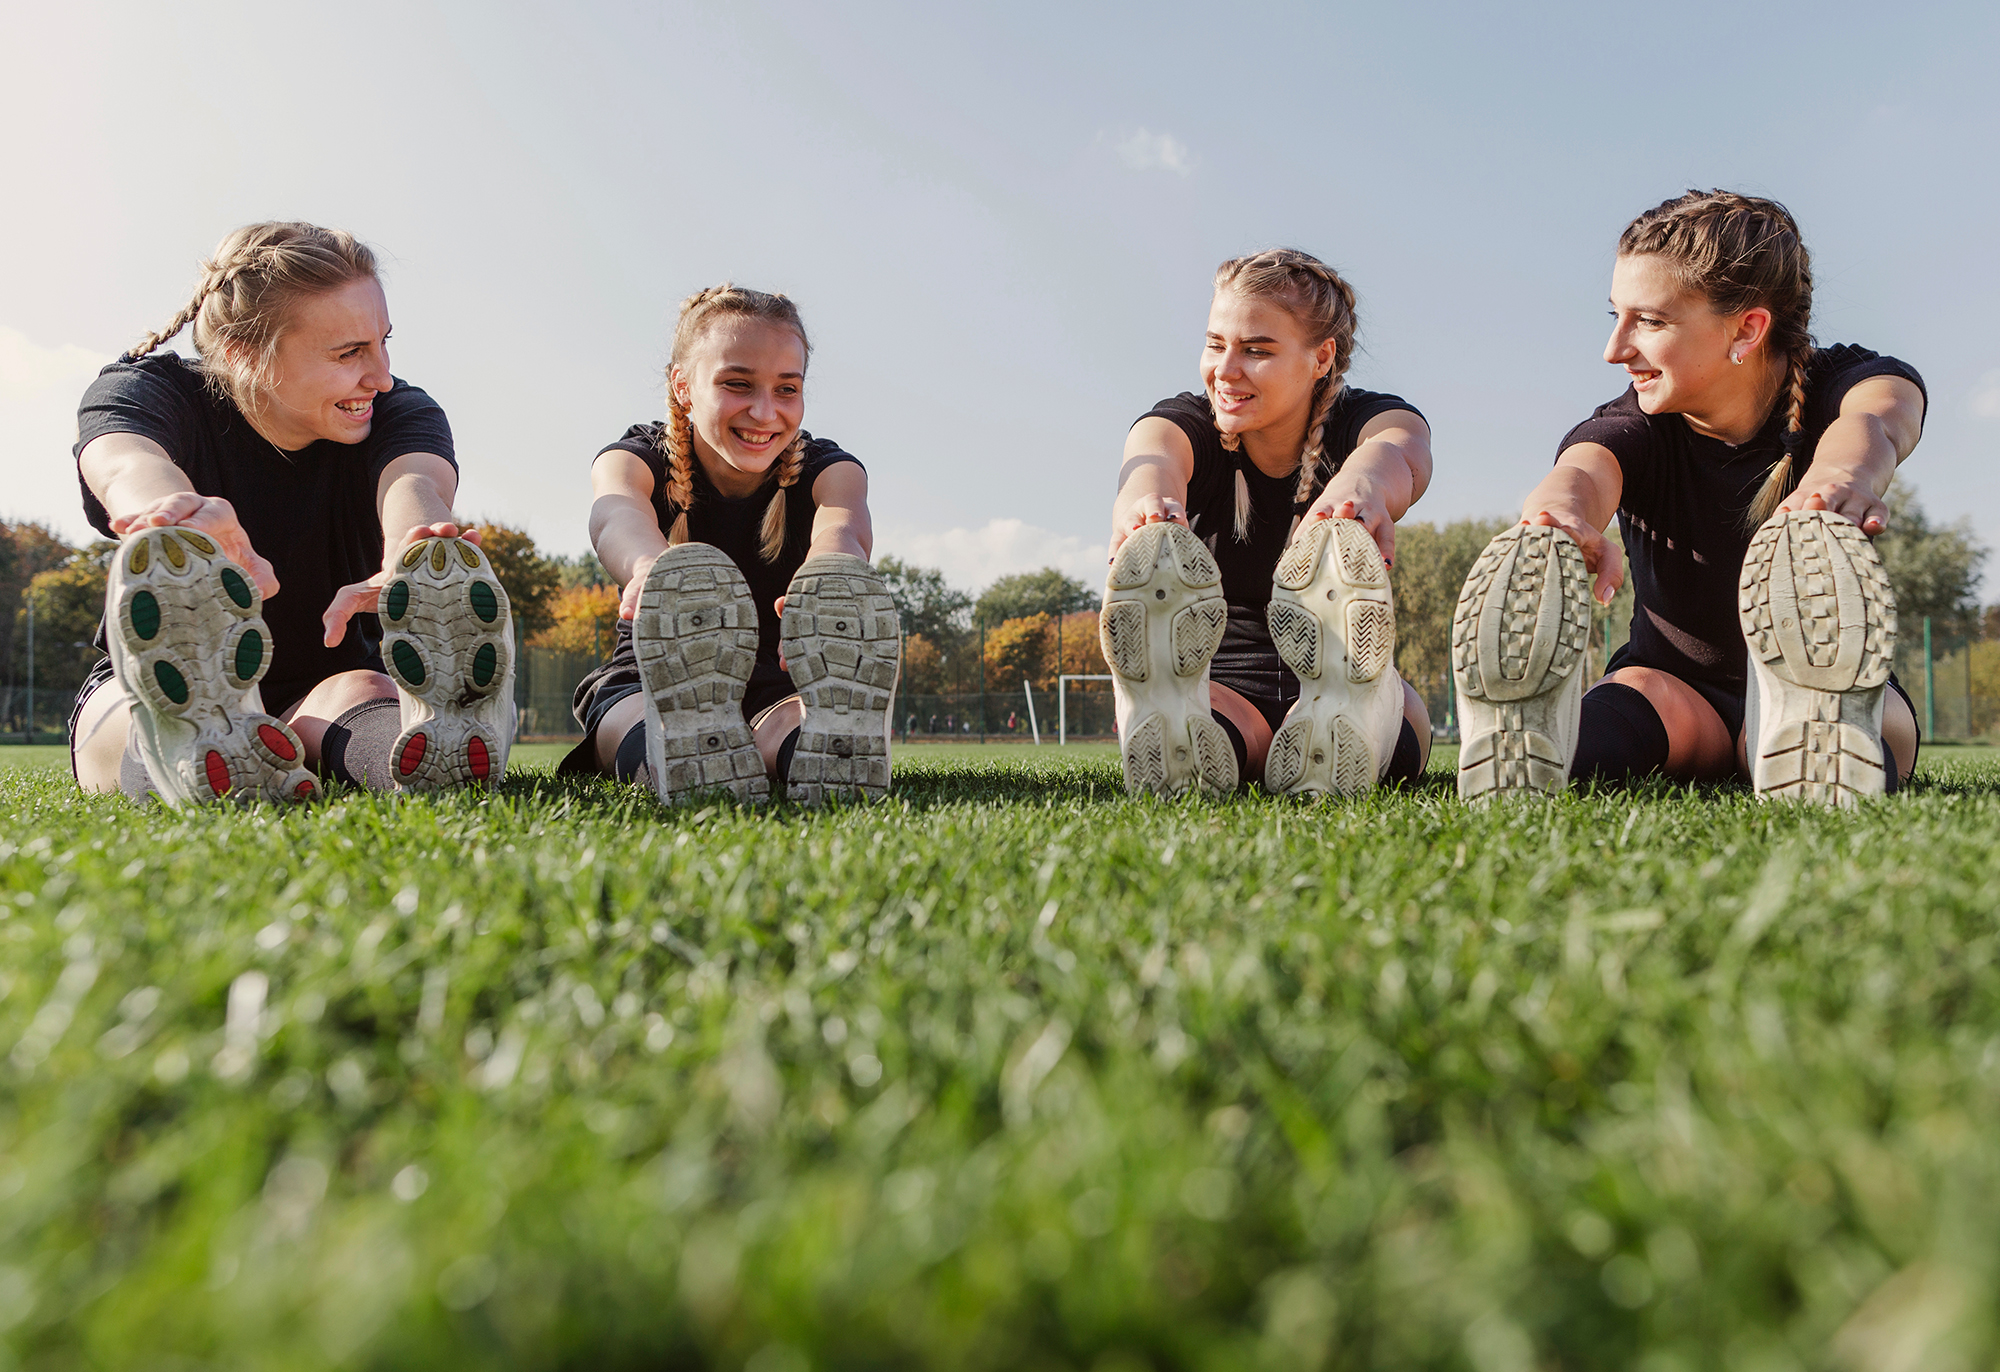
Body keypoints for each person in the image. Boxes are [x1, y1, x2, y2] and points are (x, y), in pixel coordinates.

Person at [1452, 190, 1923, 805]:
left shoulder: (1849, 381)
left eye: (1649, 321)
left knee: (1829, 720)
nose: (1615, 349)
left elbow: (1877, 423)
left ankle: (1806, 727)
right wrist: (1559, 515)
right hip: (1678, 692)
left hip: (1836, 683)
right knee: (1609, 725)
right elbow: (1586, 471)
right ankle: (1533, 740)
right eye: (1615, 316)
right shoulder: (1637, 423)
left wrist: (1840, 481)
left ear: (1748, 328)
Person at [70, 221, 512, 805]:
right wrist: (173, 518)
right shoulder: (149, 390)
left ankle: (439, 757)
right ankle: (197, 748)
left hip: (321, 682)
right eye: (349, 352)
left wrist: (416, 549)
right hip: (159, 688)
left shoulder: (397, 409)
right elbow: (122, 462)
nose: (379, 375)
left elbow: (414, 482)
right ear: (243, 353)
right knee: (140, 723)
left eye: (384, 341)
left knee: (366, 693)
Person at [1104, 248, 1435, 798]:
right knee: (1217, 739)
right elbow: (1152, 455)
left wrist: (1364, 485)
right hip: (1220, 682)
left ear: (1321, 357)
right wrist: (1148, 505)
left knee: (1388, 728)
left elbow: (1401, 447)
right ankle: (1179, 720)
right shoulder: (1191, 424)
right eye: (1215, 345)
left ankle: (1345, 720)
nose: (1226, 371)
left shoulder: (1365, 418)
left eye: (1256, 350)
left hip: (1349, 666)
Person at [562, 284, 898, 806]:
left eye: (787, 389)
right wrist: (648, 566)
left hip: (779, 677)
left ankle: (829, 754)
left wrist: (830, 581)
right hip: (654, 675)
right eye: (738, 384)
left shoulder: (830, 469)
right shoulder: (635, 456)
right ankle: (669, 757)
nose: (765, 413)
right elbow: (615, 512)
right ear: (683, 387)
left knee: (793, 724)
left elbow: (844, 527)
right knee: (636, 722)